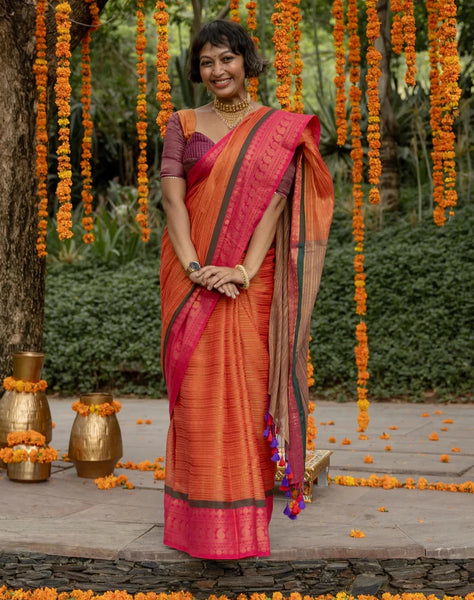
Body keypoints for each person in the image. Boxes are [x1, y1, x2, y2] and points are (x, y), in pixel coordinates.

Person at [159, 19, 334, 560]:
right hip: (189, 277)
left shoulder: (276, 128)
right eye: (207, 62)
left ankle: (240, 515)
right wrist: (194, 267)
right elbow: (172, 200)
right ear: (198, 69)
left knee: (249, 388)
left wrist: (241, 269)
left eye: (227, 59)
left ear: (247, 61)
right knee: (198, 391)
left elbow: (276, 203)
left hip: (248, 281)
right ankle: (196, 517)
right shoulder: (182, 123)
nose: (217, 71)